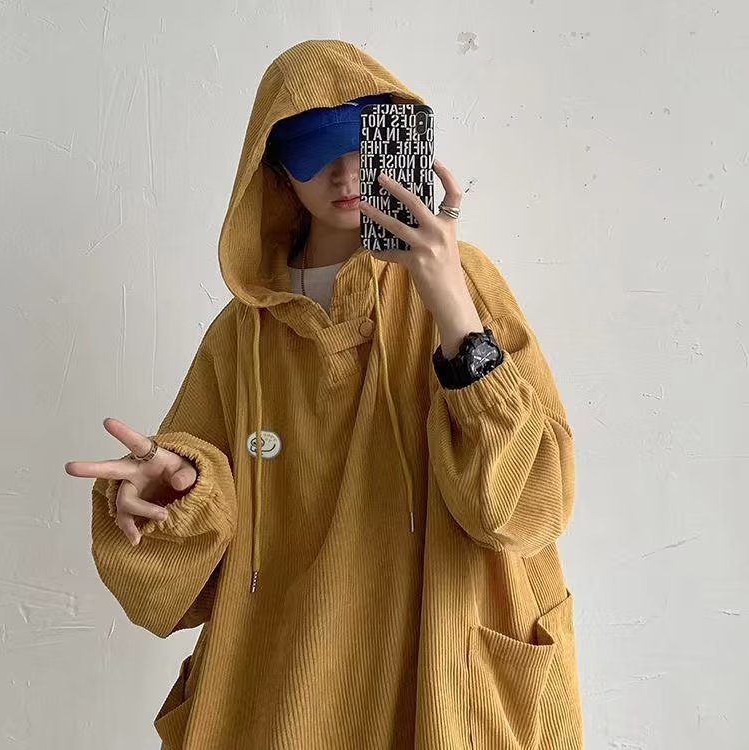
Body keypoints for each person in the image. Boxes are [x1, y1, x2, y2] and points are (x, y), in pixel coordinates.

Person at [65, 39, 582, 749]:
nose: (345, 171)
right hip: (284, 683)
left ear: (403, 142)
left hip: (442, 665)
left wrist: (449, 301)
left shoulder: (463, 282)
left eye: (366, 140)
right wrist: (178, 491)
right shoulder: (243, 334)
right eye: (313, 147)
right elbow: (180, 574)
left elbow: (528, 509)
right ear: (276, 166)